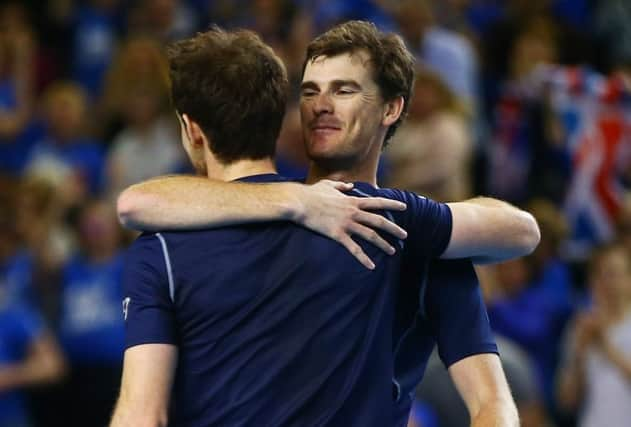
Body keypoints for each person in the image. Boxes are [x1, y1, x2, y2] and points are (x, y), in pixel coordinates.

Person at [114, 22, 539, 426]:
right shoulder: (269, 207)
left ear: (391, 108)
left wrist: (407, 213)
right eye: (310, 91)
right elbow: (137, 202)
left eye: (344, 90)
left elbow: (493, 400)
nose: (321, 106)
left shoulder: (408, 230)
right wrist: (295, 200)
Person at [557, 242, 631, 427]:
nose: (606, 282)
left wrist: (606, 345)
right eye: (599, 274)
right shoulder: (580, 327)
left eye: (613, 273)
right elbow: (567, 401)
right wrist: (579, 354)